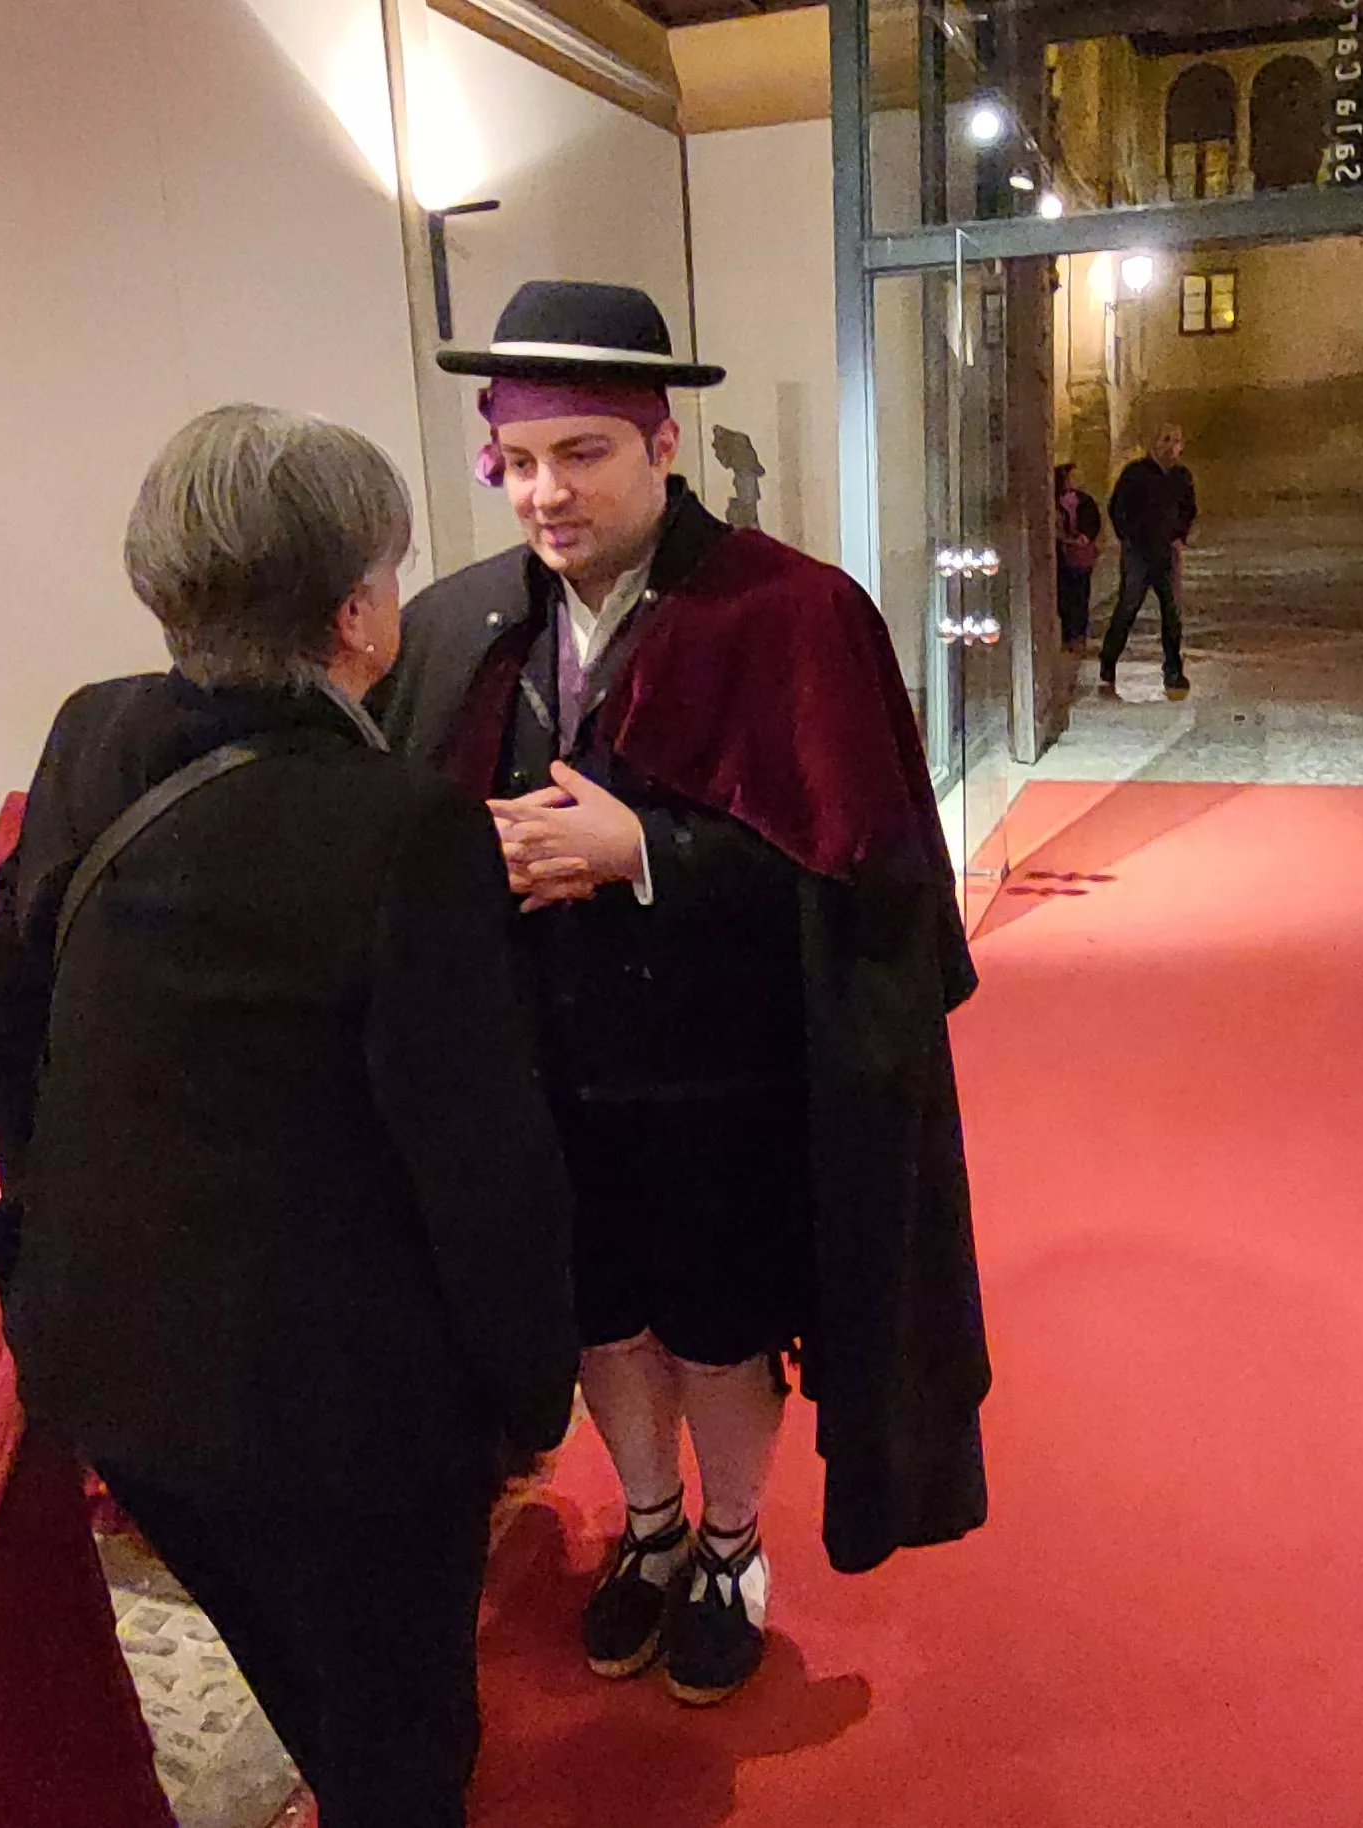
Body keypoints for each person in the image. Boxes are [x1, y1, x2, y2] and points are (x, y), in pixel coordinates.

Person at [0, 405, 577, 1828]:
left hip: (117, 1361)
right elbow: (475, 1153)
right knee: (401, 1734)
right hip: (343, 1405)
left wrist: (54, 1231)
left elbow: (5, 1017)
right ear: (361, 613)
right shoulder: (400, 825)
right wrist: (527, 1386)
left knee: (293, 1666)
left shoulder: (90, 731)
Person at [380, 279, 990, 1709]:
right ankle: (645, 1530)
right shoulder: (469, 625)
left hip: (724, 1073)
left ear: (662, 443)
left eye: (581, 453)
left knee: (716, 1327)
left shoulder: (795, 616)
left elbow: (877, 886)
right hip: (548, 1068)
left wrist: (643, 851)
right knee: (599, 1317)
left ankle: (726, 1544)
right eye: (518, 462)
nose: (544, 493)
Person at [1098, 423, 1199, 700]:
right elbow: (1117, 507)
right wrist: (1128, 538)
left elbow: (1189, 509)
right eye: (1166, 439)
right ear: (1155, 443)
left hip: (1166, 553)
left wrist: (1180, 535)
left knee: (1171, 612)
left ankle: (1173, 669)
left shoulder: (1181, 476)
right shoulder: (1135, 474)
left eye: (1176, 440)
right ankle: (1108, 661)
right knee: (1128, 606)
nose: (1171, 446)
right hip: (1139, 553)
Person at [1054, 462, 1101, 652]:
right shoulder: (1054, 501)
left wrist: (1086, 536)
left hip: (1080, 554)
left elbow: (1093, 521)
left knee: (1081, 594)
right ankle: (1068, 634)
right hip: (1063, 553)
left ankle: (1079, 633)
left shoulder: (1085, 501)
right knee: (1065, 594)